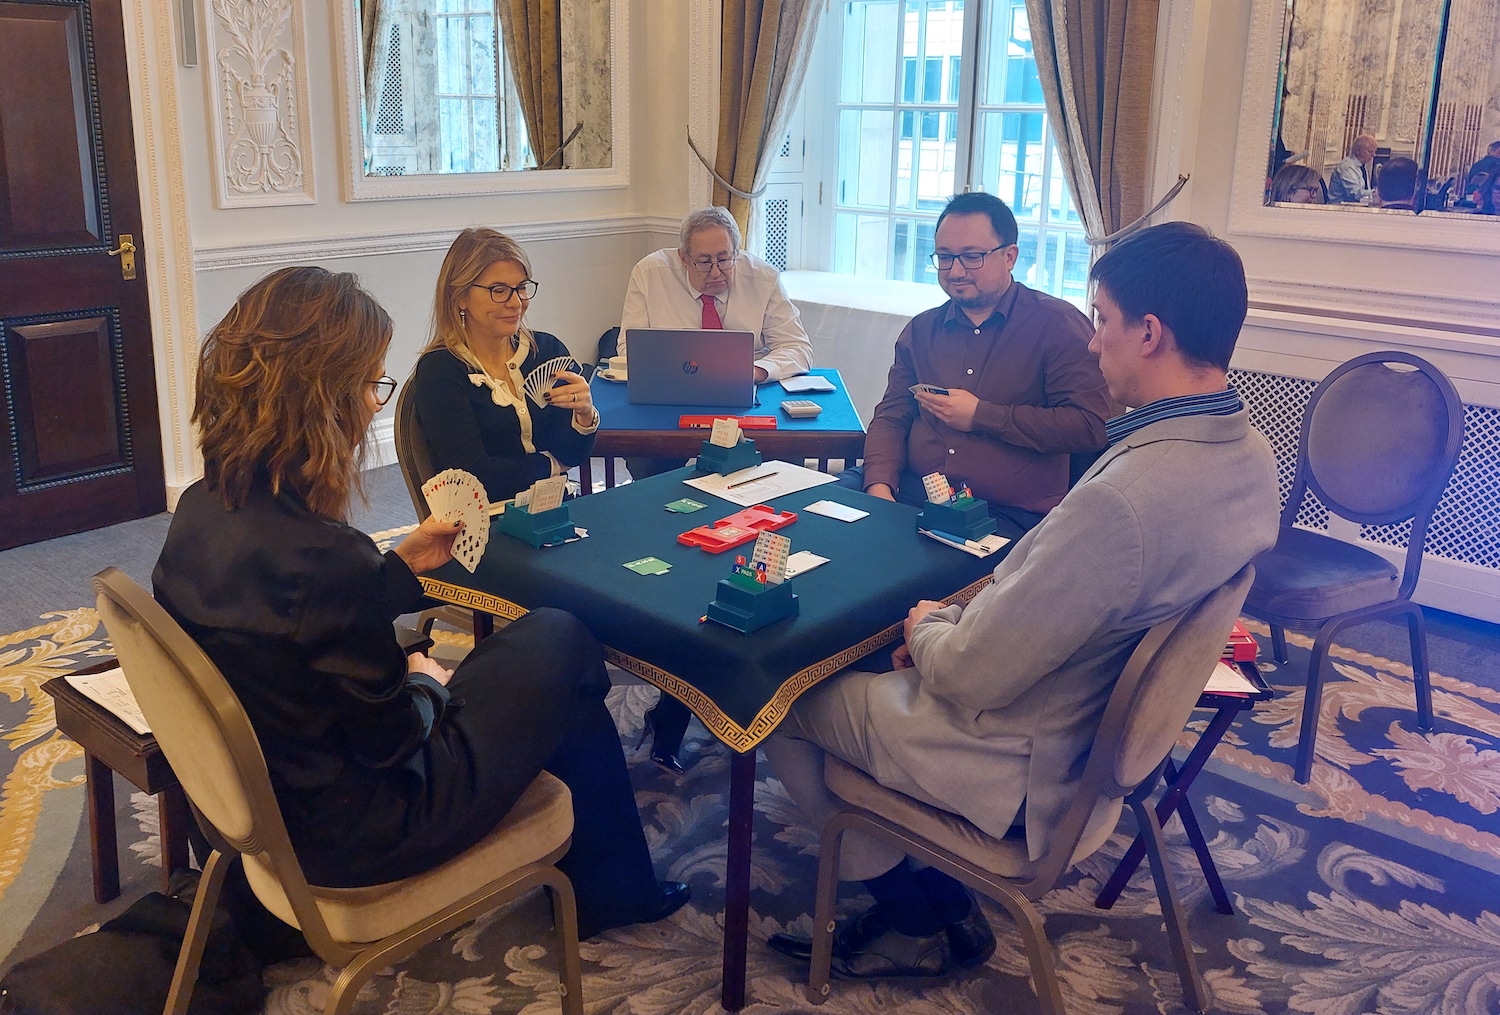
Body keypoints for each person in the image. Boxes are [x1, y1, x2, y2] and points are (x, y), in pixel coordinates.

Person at [762, 222, 1280, 979]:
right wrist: (949, 629)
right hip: (1086, 741)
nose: (1094, 342)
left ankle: (913, 917)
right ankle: (929, 886)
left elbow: (971, 674)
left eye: (1103, 320)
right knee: (894, 652)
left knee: (776, 696)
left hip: (1014, 761)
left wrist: (929, 628)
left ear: (1149, 334)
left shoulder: (1124, 502)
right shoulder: (1252, 457)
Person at [154, 266, 688, 940]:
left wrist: (398, 570)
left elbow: (289, 624)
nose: (374, 406)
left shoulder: (201, 508)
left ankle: (613, 883)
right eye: (370, 385)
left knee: (551, 657)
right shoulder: (326, 557)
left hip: (273, 797)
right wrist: (426, 682)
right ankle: (615, 886)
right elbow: (394, 739)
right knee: (563, 639)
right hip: (370, 830)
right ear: (320, 399)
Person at [619, 206, 815, 772]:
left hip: (741, 422)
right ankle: (675, 687)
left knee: (739, 536)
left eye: (724, 259)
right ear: (683, 258)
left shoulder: (762, 277)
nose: (716, 272)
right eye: (703, 262)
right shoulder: (651, 272)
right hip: (666, 426)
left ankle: (718, 680)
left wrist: (754, 371)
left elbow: (798, 347)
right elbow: (630, 354)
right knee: (677, 535)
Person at [850, 191, 1111, 540]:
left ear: (1010, 256)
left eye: (972, 257)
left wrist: (980, 416)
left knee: (915, 566)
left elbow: (1091, 426)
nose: (955, 271)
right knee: (813, 519)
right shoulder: (922, 330)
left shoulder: (1057, 326)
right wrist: (880, 487)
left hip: (1002, 512)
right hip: (911, 492)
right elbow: (892, 416)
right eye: (945, 257)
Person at [409, 228, 598, 503]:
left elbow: (573, 453)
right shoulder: (440, 370)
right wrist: (552, 465)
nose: (516, 302)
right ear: (459, 296)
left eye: (521, 288)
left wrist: (585, 415)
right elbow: (476, 476)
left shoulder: (547, 350)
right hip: (486, 520)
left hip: (555, 506)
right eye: (498, 290)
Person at [1328, 134, 1377, 204]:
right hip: (1339, 207)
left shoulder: (1362, 166)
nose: (1374, 155)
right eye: (1370, 152)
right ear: (1358, 151)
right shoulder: (1347, 167)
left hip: (1355, 205)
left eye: (1374, 151)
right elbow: (1355, 194)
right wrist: (1377, 193)